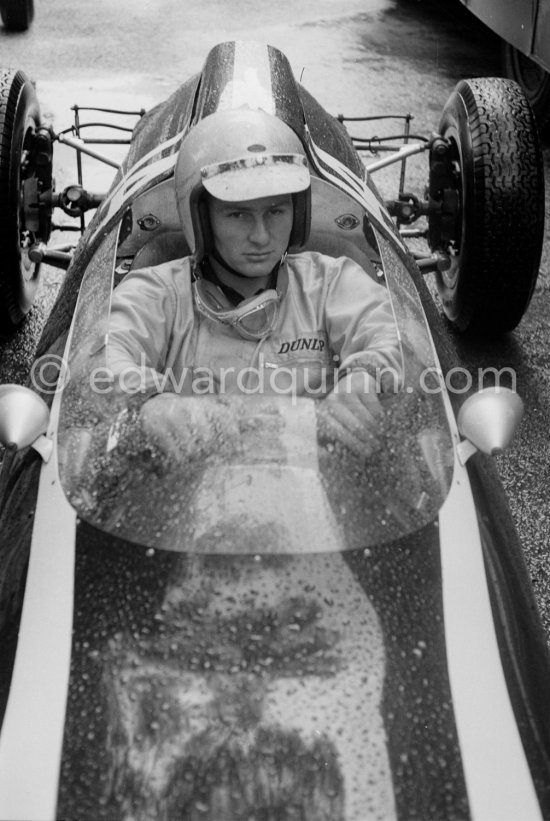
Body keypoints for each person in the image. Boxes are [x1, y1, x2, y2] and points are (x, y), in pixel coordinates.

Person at [106, 108, 402, 457]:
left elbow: (392, 333)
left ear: (298, 211)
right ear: (201, 220)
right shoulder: (156, 293)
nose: (261, 236)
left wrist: (365, 374)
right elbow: (103, 355)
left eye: (276, 211)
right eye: (238, 214)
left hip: (313, 493)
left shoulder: (332, 282)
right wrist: (148, 402)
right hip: (189, 495)